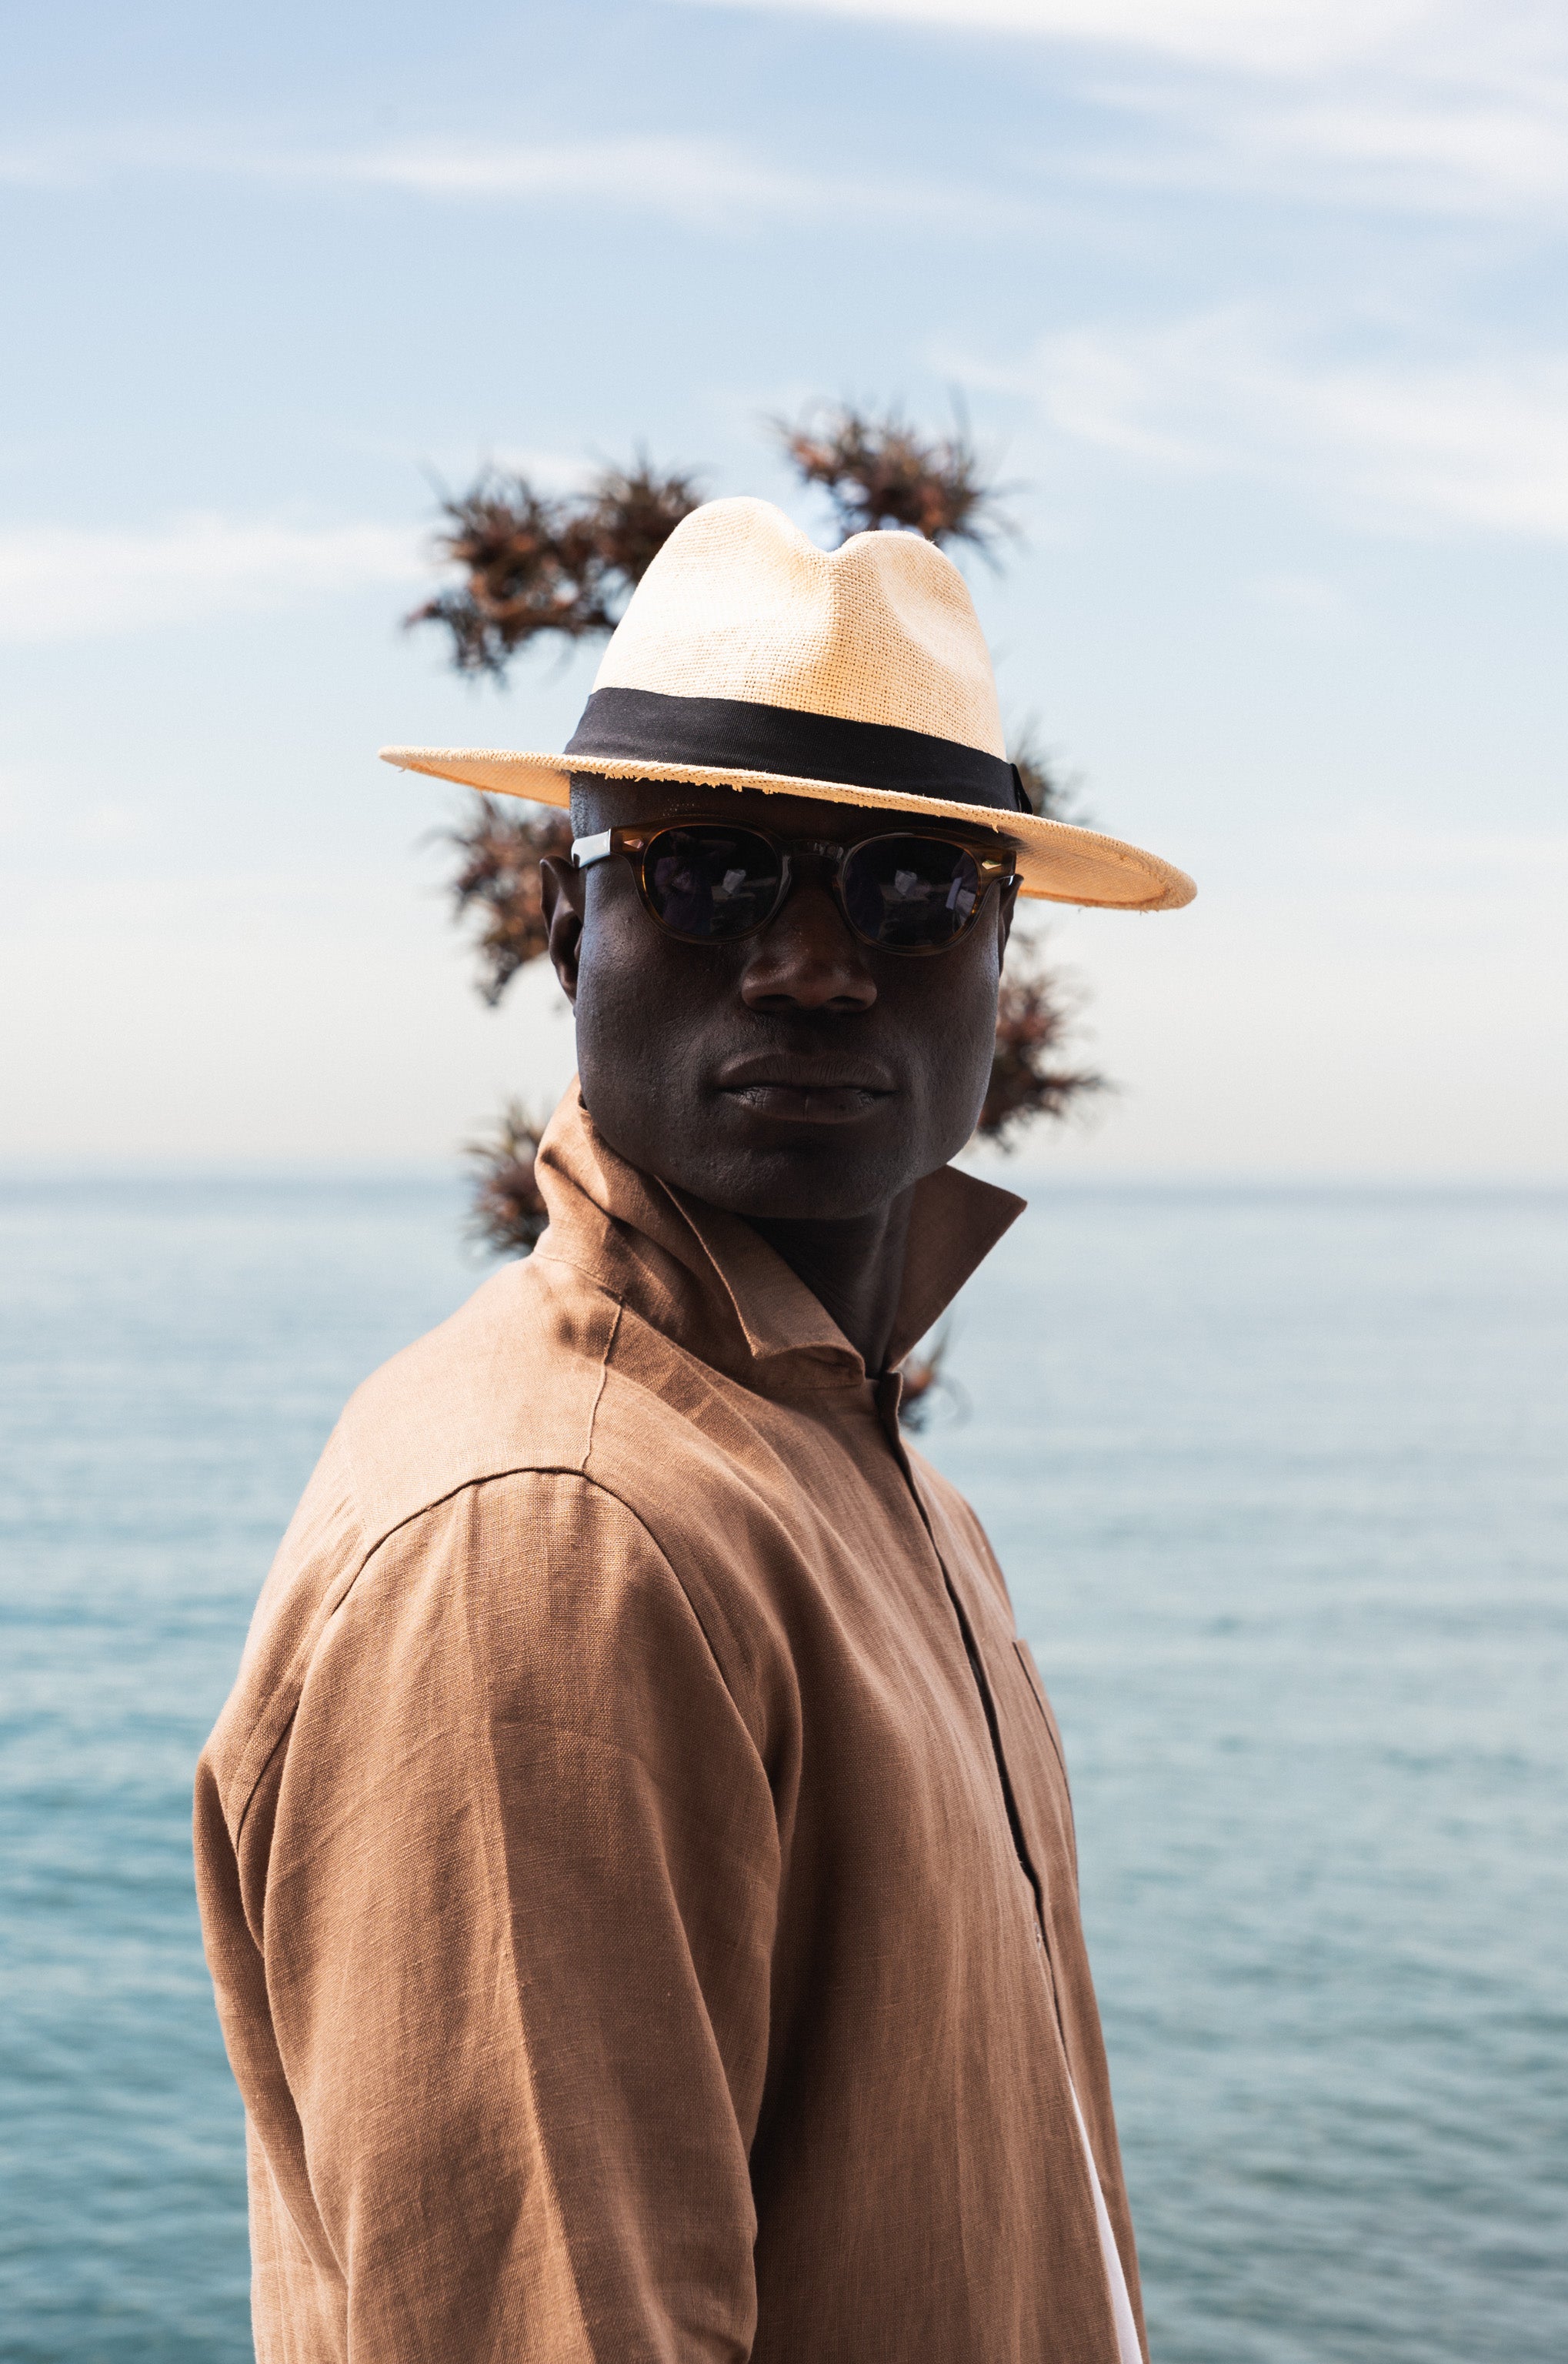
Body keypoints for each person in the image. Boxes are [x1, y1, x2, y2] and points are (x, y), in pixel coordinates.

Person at [195, 496, 1194, 2364]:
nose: (814, 963)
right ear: (569, 922)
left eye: (912, 887)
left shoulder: (855, 1472)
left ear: (998, 953)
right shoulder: (551, 1534)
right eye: (714, 872)